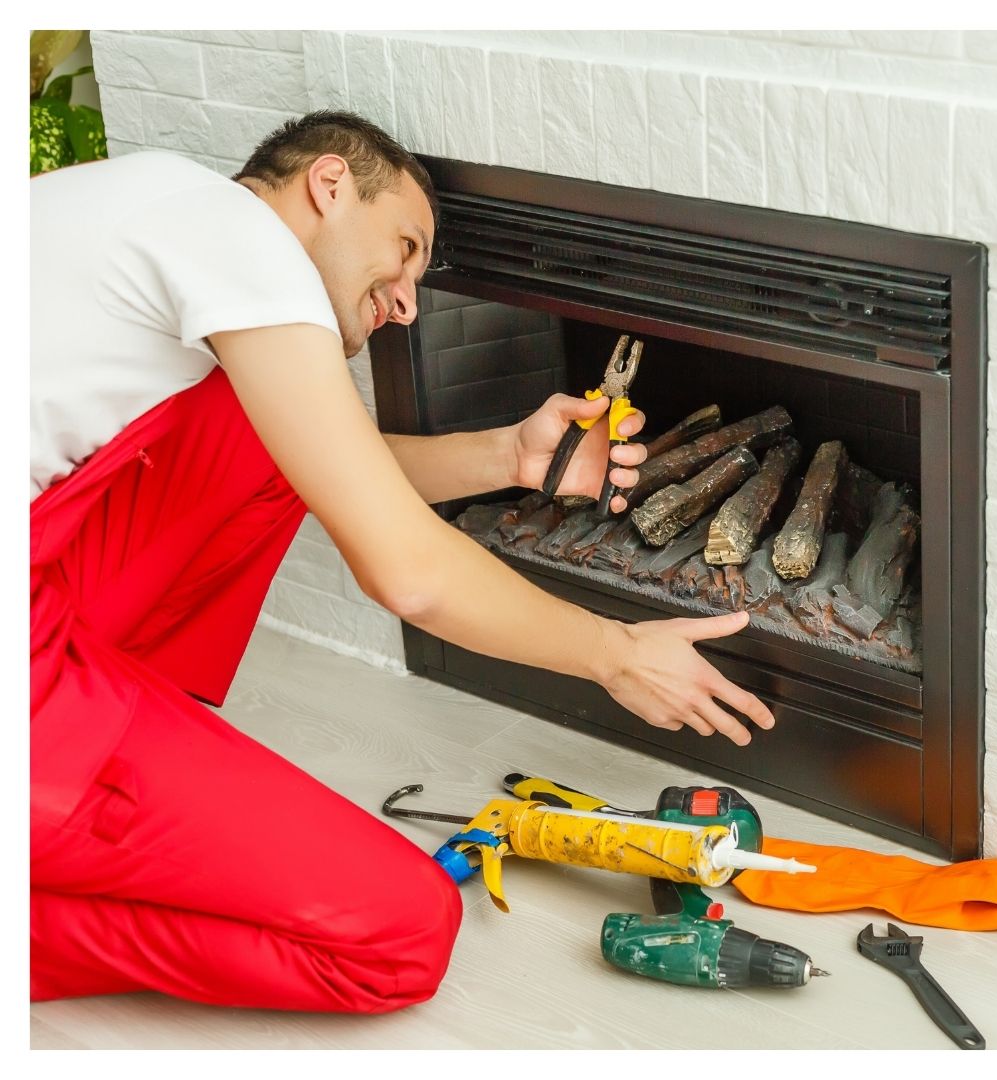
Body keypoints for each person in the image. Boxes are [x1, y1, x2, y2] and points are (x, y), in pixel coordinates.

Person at [29, 110, 775, 1013]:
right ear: (329, 184)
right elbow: (407, 574)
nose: (409, 300)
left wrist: (509, 459)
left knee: (241, 420)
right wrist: (615, 653)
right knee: (402, 934)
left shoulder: (153, 201)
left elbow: (312, 457)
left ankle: (109, 747)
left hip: (42, 594)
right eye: (407, 246)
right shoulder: (240, 240)